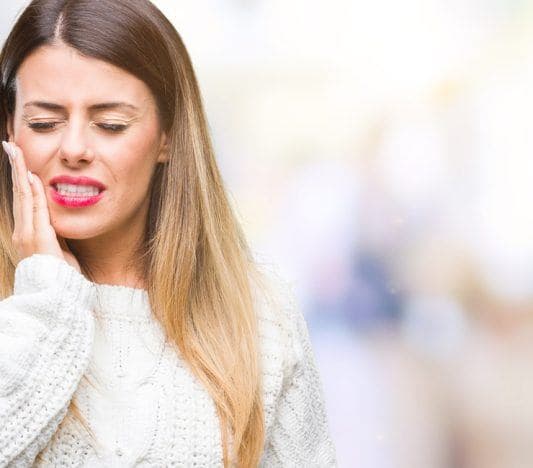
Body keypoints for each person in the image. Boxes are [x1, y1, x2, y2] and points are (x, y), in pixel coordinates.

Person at [0, 0, 337, 466]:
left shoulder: (261, 314)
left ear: (168, 136)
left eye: (110, 124)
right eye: (44, 123)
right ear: (9, 130)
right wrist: (48, 302)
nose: (73, 148)